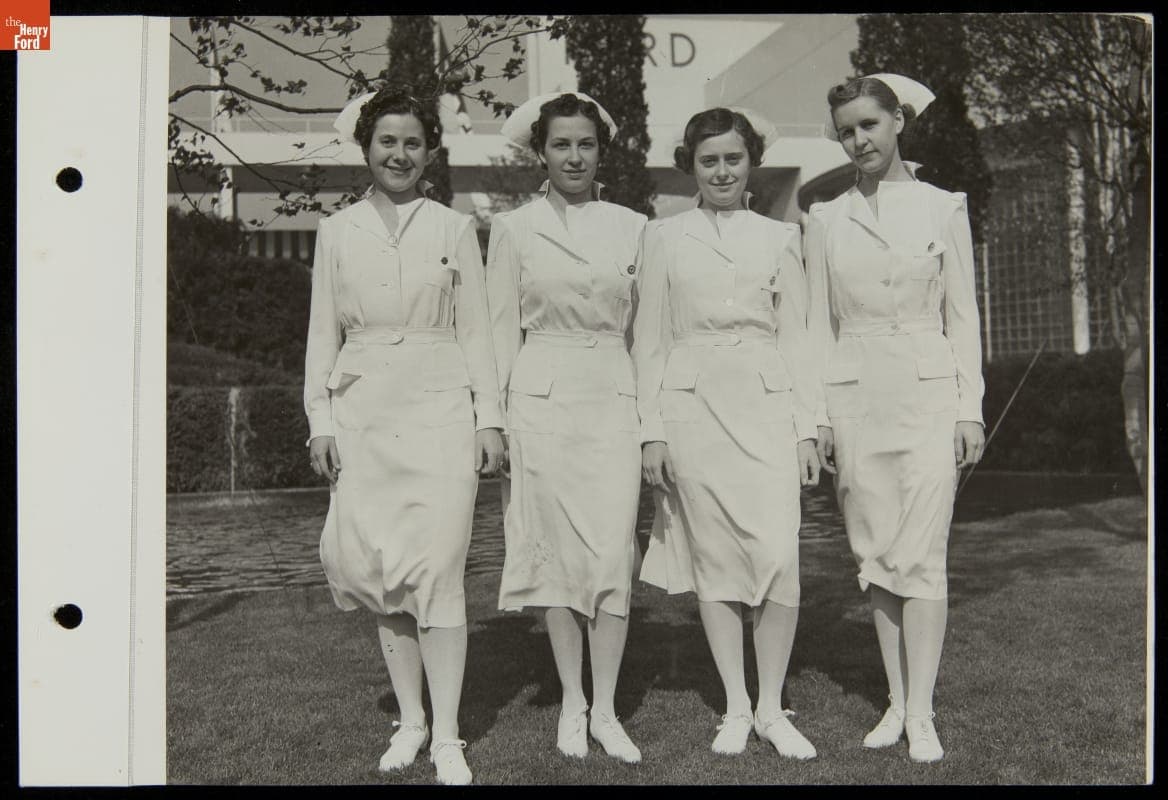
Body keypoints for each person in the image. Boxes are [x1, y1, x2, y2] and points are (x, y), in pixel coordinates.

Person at [303, 85, 506, 786]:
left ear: (431, 152)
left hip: (440, 414)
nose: (399, 154)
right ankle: (412, 721)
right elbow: (320, 338)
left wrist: (489, 420)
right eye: (387, 141)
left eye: (412, 143)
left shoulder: (452, 229)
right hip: (364, 418)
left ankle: (447, 735)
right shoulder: (336, 232)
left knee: (439, 569)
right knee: (383, 572)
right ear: (367, 149)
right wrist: (320, 423)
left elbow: (477, 330)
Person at [805, 74, 986, 763]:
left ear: (897, 122)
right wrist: (819, 416)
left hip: (929, 395)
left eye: (869, 125)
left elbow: (963, 316)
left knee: (924, 551)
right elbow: (818, 328)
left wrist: (969, 408)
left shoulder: (943, 208)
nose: (859, 141)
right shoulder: (825, 218)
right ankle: (894, 701)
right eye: (847, 130)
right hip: (856, 398)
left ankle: (923, 711)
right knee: (876, 554)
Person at [633, 107, 820, 759]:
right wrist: (650, 430)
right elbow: (648, 341)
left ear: (751, 165)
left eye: (733, 159)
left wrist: (807, 428)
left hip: (766, 407)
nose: (721, 171)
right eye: (708, 159)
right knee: (713, 558)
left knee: (776, 557)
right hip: (693, 410)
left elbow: (799, 337)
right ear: (691, 165)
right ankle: (736, 706)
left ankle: (773, 706)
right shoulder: (663, 238)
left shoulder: (780, 238)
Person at [486, 92, 647, 764]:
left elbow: (649, 334)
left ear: (599, 151)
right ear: (541, 154)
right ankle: (573, 701)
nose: (574, 156)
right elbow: (498, 332)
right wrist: (492, 422)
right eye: (561, 145)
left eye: (585, 144)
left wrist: (653, 420)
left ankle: (608, 708)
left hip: (613, 396)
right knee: (555, 559)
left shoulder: (635, 226)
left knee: (612, 554)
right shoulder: (514, 230)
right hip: (541, 400)